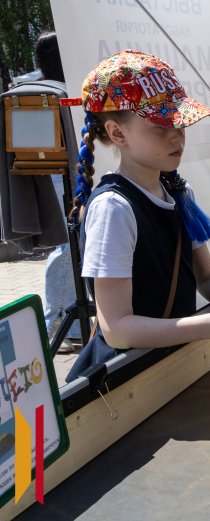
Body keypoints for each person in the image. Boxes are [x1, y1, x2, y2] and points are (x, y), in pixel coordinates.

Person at [65, 50, 210, 381]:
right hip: (127, 379)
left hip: (172, 368)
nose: (176, 134)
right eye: (161, 125)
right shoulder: (113, 210)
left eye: (179, 121)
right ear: (118, 133)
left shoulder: (178, 191)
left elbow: (207, 276)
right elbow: (117, 329)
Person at [31, 32, 81, 351]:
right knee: (68, 245)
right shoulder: (48, 94)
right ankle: (56, 322)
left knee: (74, 244)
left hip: (66, 175)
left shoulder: (55, 90)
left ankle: (70, 326)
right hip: (61, 176)